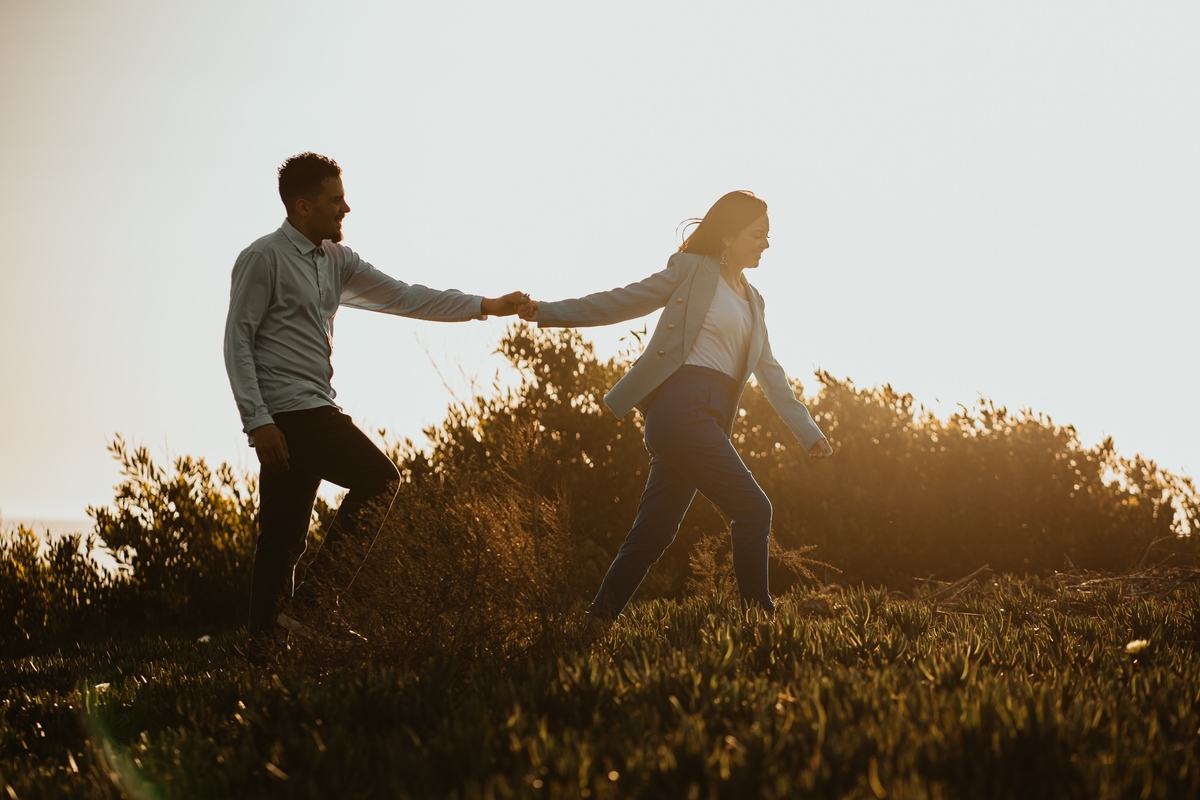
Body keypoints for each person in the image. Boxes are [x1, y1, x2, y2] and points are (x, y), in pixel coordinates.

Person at [224, 152, 527, 654]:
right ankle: (313, 609)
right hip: (290, 413)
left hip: (309, 406)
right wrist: (258, 422)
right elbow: (238, 340)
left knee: (282, 542)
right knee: (381, 480)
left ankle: (263, 651)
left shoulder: (338, 261)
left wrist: (486, 306)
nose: (346, 208)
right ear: (302, 206)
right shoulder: (263, 258)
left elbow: (406, 296)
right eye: (334, 199)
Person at [518, 190, 833, 621]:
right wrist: (545, 312)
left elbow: (771, 373)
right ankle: (758, 616)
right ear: (728, 237)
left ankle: (597, 619)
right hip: (681, 409)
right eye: (757, 234)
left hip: (707, 419)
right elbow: (620, 301)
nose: (766, 243)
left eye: (767, 235)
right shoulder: (691, 271)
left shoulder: (754, 302)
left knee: (653, 534)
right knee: (753, 509)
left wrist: (808, 432)